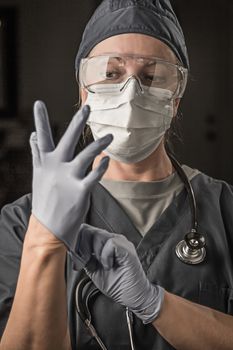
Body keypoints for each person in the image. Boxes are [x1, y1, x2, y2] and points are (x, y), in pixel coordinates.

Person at [0, 0, 233, 349]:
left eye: (152, 76)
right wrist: (44, 242)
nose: (131, 91)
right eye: (111, 73)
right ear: (84, 89)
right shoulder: (21, 222)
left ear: (176, 99)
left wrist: (155, 304)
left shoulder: (226, 210)